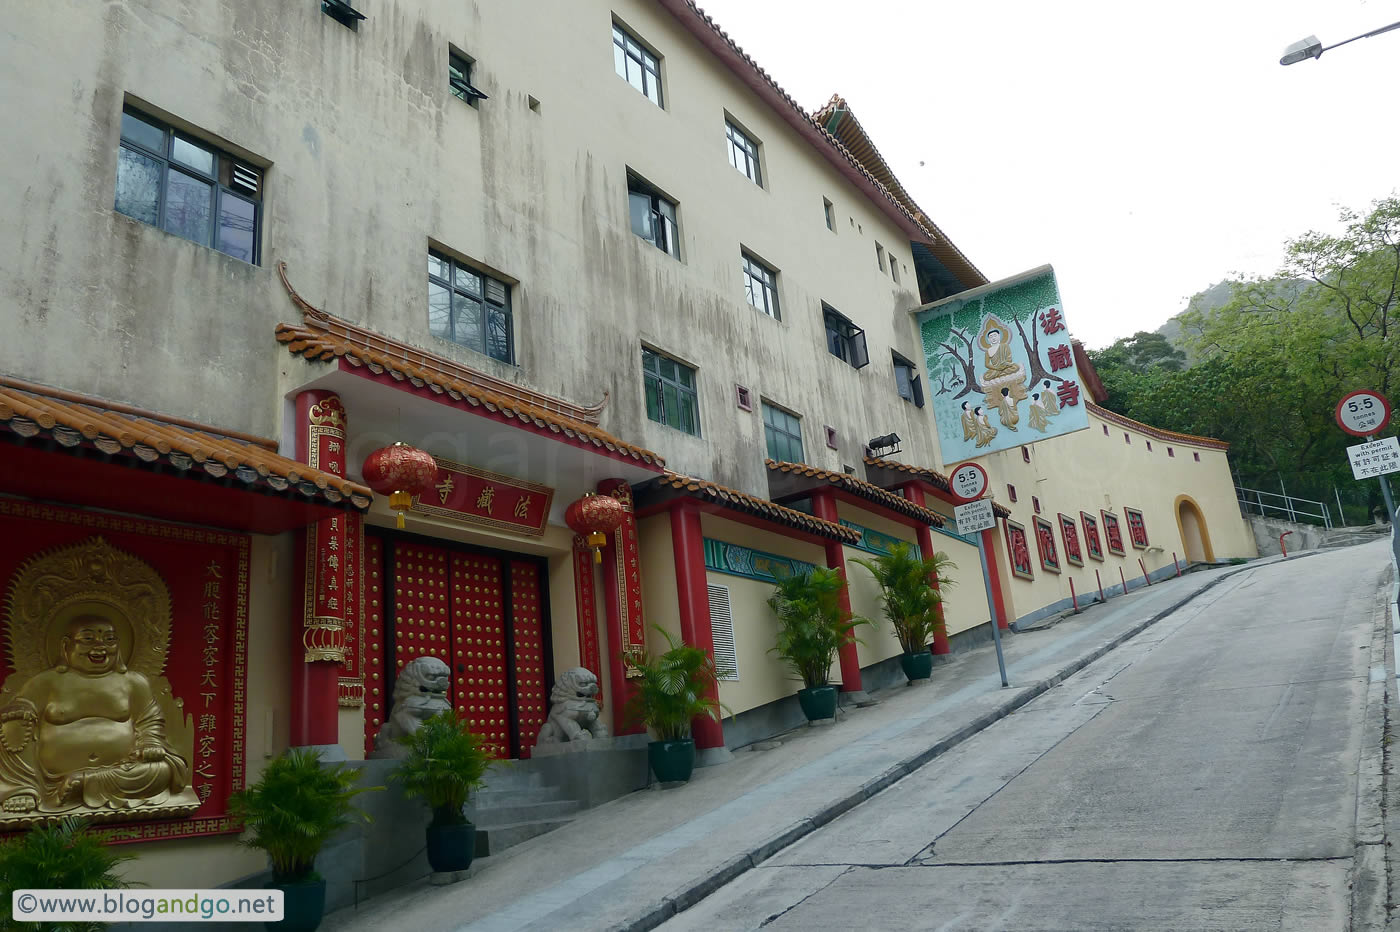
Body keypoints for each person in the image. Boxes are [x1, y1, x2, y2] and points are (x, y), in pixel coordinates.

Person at [0, 614, 193, 818]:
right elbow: (21, 704)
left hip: (122, 769)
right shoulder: (46, 682)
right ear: (66, 645)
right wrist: (21, 709)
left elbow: (149, 720)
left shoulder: (134, 683)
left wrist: (149, 742)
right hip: (51, 777)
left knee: (162, 770)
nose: (100, 646)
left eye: (109, 640)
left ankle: (85, 782)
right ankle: (22, 789)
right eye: (88, 639)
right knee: (13, 723)